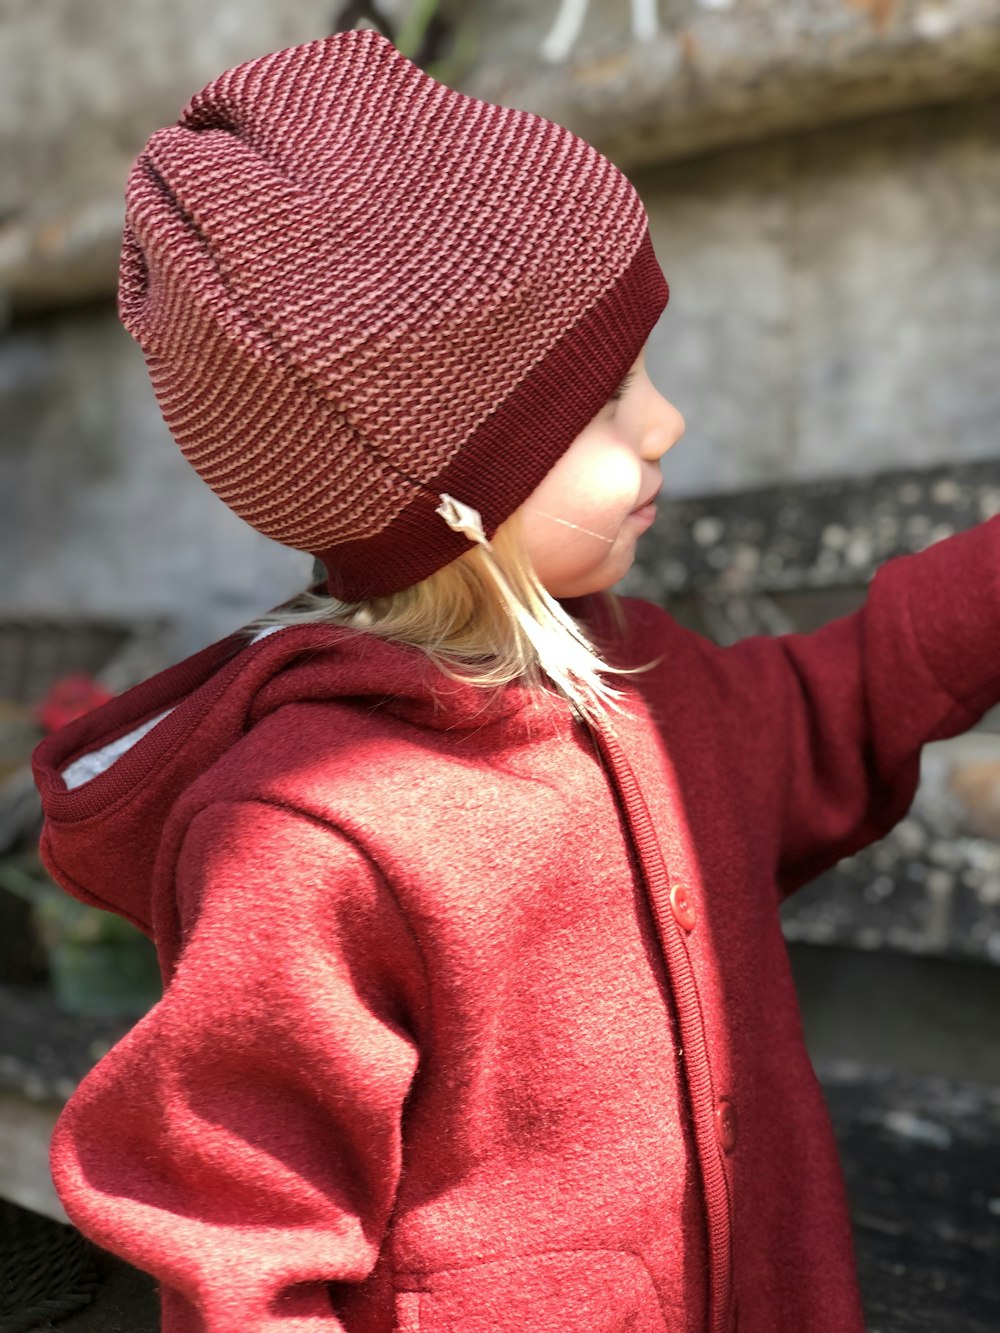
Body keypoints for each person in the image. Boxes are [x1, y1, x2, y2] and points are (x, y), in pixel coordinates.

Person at [31, 29, 999, 1333]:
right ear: (455, 500)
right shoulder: (311, 833)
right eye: (607, 403)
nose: (666, 422)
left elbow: (849, 699)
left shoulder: (647, 690)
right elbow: (239, 1232)